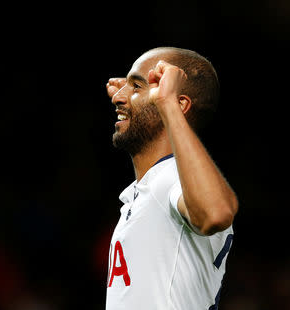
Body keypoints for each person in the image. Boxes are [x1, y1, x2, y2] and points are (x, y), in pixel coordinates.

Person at [105, 47, 238, 310]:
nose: (117, 98)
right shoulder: (145, 189)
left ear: (179, 104)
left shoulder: (171, 178)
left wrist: (166, 103)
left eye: (137, 86)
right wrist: (135, 91)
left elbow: (217, 213)